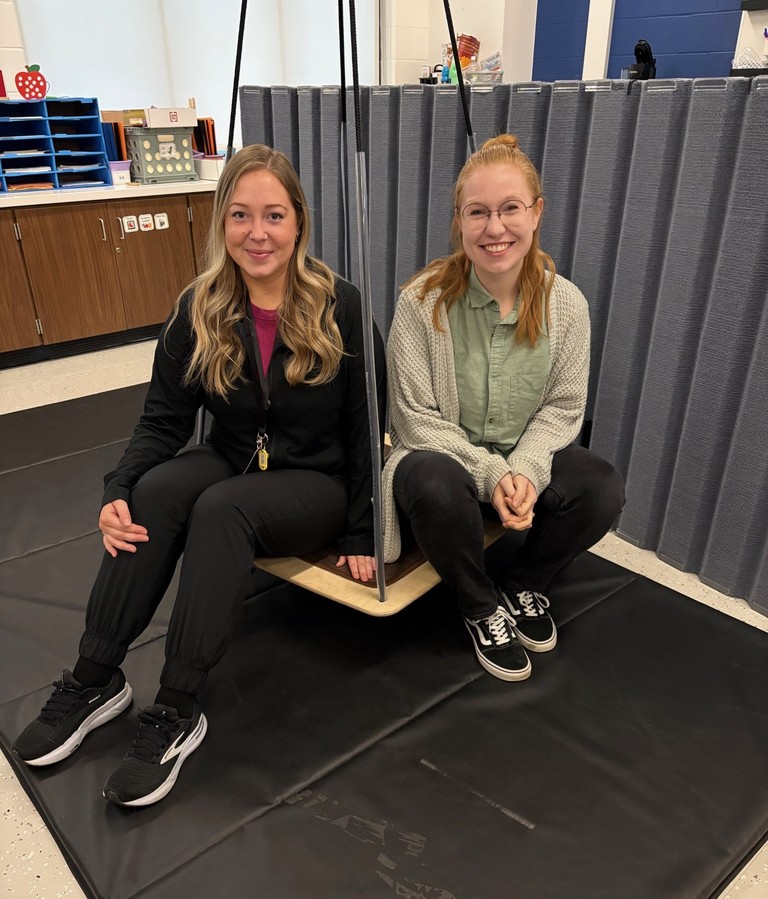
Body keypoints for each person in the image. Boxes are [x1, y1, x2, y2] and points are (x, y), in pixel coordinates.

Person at [13, 144, 385, 806]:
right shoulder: (200, 306)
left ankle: (177, 709)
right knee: (159, 491)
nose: (257, 232)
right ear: (222, 223)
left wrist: (362, 531)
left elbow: (366, 430)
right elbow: (162, 422)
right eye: (240, 215)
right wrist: (119, 490)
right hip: (238, 454)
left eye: (273, 215)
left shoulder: (342, 305)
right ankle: (95, 677)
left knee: (222, 509)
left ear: (298, 221)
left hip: (314, 483)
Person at [382, 134, 624, 682]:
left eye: (510, 208)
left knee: (602, 487)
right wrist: (493, 474)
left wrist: (525, 472)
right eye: (478, 212)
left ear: (536, 213)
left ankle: (524, 585)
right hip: (444, 466)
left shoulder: (568, 305)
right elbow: (415, 420)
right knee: (434, 482)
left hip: (522, 468)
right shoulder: (420, 302)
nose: (495, 229)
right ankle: (479, 604)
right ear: (459, 221)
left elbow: (564, 409)